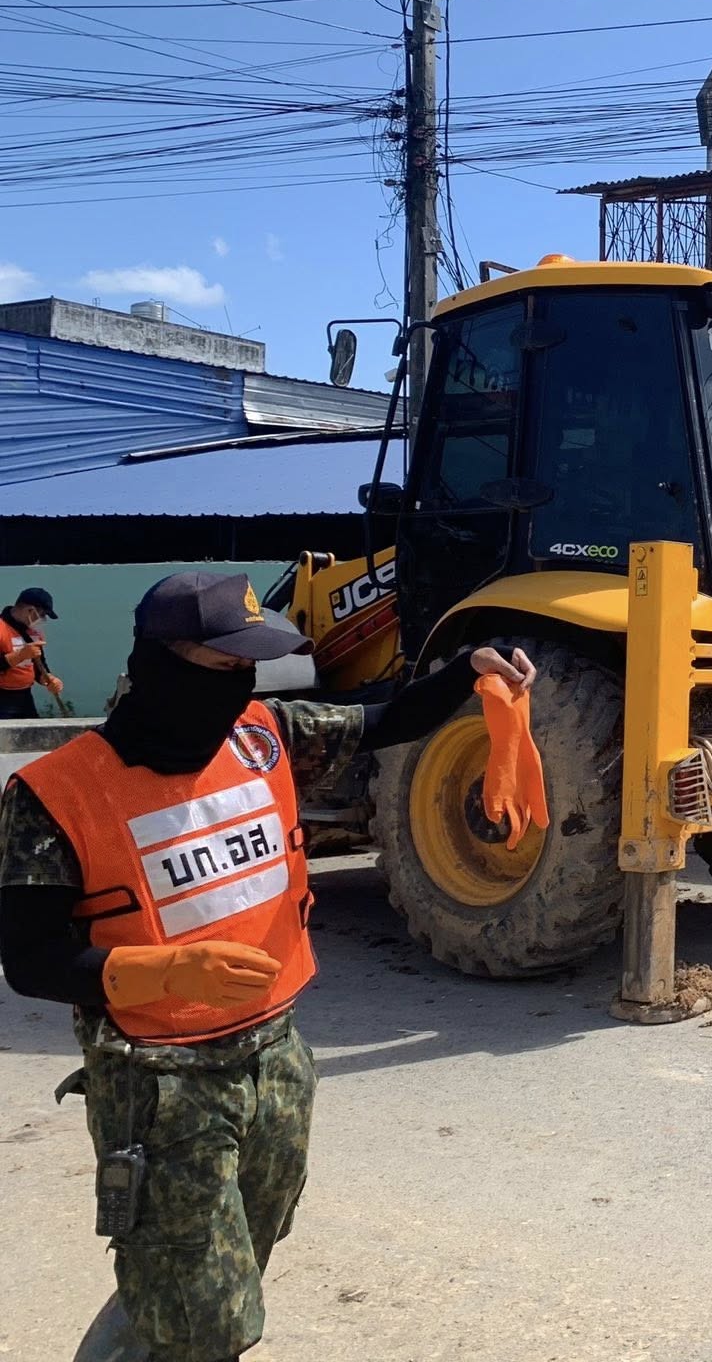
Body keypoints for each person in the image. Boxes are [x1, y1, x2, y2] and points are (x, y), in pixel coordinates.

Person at [0, 571, 538, 1362]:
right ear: (161, 662)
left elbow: (387, 719)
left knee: (227, 1259)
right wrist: (165, 972)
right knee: (206, 1310)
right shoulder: (53, 794)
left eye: (249, 667)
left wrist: (468, 671)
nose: (242, 684)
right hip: (160, 1081)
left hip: (276, 1056)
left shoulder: (263, 734)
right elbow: (32, 960)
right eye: (225, 666)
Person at [0, 585, 63, 720]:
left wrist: (49, 679)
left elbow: (39, 664)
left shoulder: (34, 632)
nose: (43, 619)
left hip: (25, 696)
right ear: (30, 610)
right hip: (3, 697)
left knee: (33, 730)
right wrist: (20, 655)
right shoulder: (1, 629)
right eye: (42, 615)